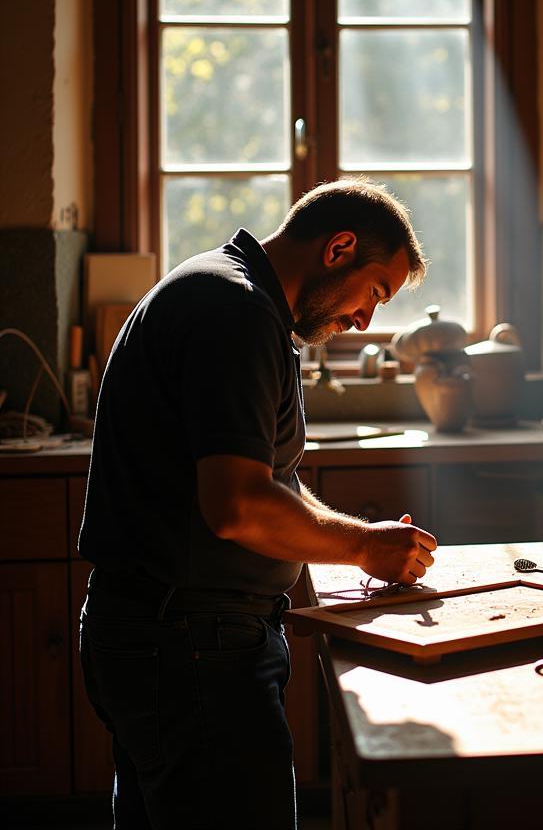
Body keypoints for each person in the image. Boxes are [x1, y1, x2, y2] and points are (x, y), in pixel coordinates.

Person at [78, 178, 438, 829]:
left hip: (169, 639)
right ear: (340, 248)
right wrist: (361, 546)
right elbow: (238, 507)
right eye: (375, 293)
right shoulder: (237, 312)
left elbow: (270, 481)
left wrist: (366, 541)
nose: (366, 320)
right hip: (191, 650)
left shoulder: (239, 297)